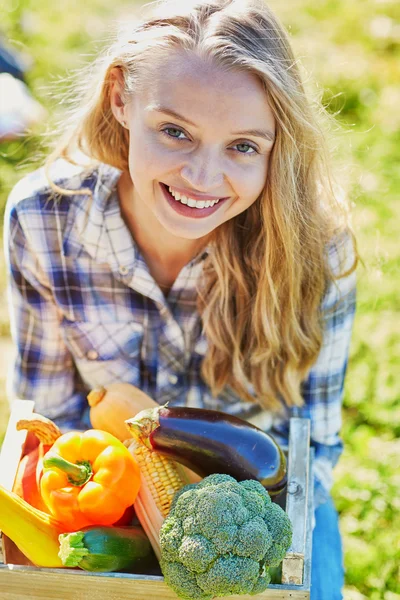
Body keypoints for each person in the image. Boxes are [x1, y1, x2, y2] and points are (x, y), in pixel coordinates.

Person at [3, 1, 357, 598]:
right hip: (104, 510)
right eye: (174, 131)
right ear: (121, 97)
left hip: (256, 518)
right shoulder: (43, 219)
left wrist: (267, 553)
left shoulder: (314, 252)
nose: (201, 175)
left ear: (278, 145)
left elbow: (311, 447)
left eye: (243, 146)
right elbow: (52, 419)